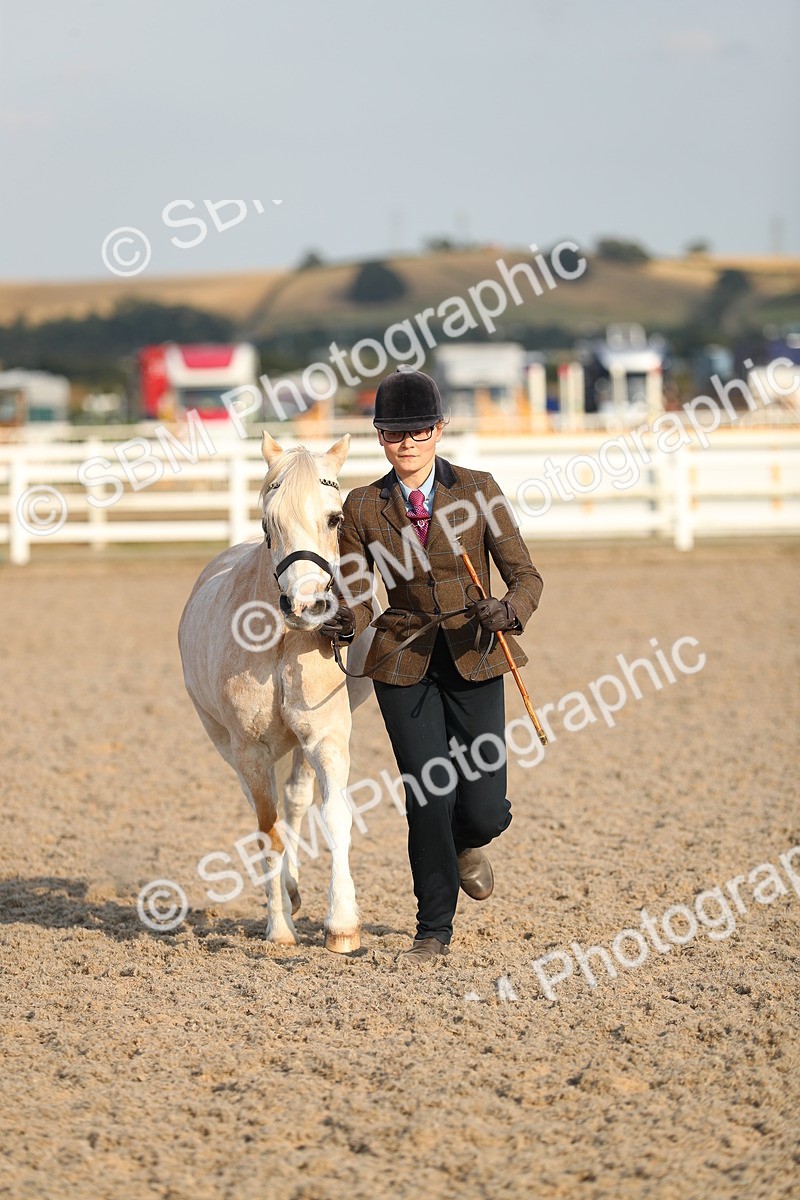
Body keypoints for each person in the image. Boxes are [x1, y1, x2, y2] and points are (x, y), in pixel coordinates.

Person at [320, 366, 544, 964]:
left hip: (477, 653)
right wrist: (344, 616)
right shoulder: (363, 506)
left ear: (440, 430)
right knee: (429, 795)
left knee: (484, 807)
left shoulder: (478, 489)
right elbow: (356, 589)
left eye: (419, 430)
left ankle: (471, 843)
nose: (408, 442)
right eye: (396, 433)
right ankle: (433, 927)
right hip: (402, 661)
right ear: (380, 437)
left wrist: (509, 608)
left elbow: (526, 574)